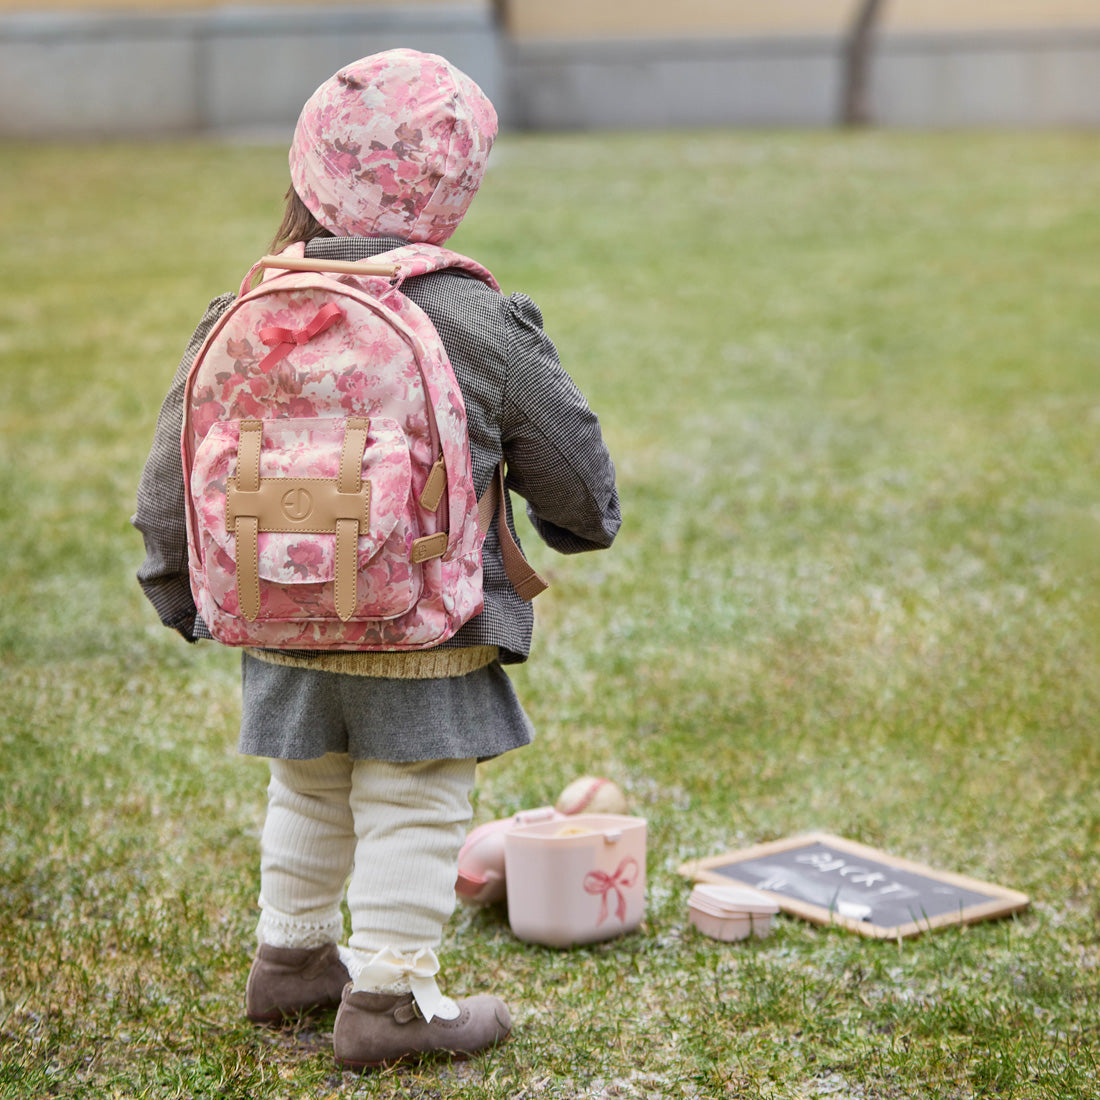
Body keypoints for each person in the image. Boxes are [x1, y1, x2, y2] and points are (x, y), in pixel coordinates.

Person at [132, 48, 620, 1069]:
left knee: (308, 785)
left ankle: (292, 959)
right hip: (421, 625)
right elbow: (570, 464)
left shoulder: (244, 310)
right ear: (453, 187)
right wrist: (581, 526)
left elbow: (172, 471)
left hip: (282, 618)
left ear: (308, 168)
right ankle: (389, 998)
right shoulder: (473, 317)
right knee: (415, 792)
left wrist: (176, 587)